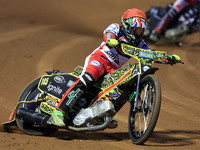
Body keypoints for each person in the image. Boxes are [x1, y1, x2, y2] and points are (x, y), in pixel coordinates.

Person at [47, 8, 181, 127]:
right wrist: (110, 39)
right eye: (135, 29)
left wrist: (168, 58)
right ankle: (58, 112)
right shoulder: (116, 28)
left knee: (124, 89)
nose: (137, 33)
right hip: (99, 59)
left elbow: (149, 54)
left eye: (140, 30)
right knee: (88, 79)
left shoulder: (140, 43)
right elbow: (108, 34)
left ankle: (102, 115)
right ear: (126, 26)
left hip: (113, 69)